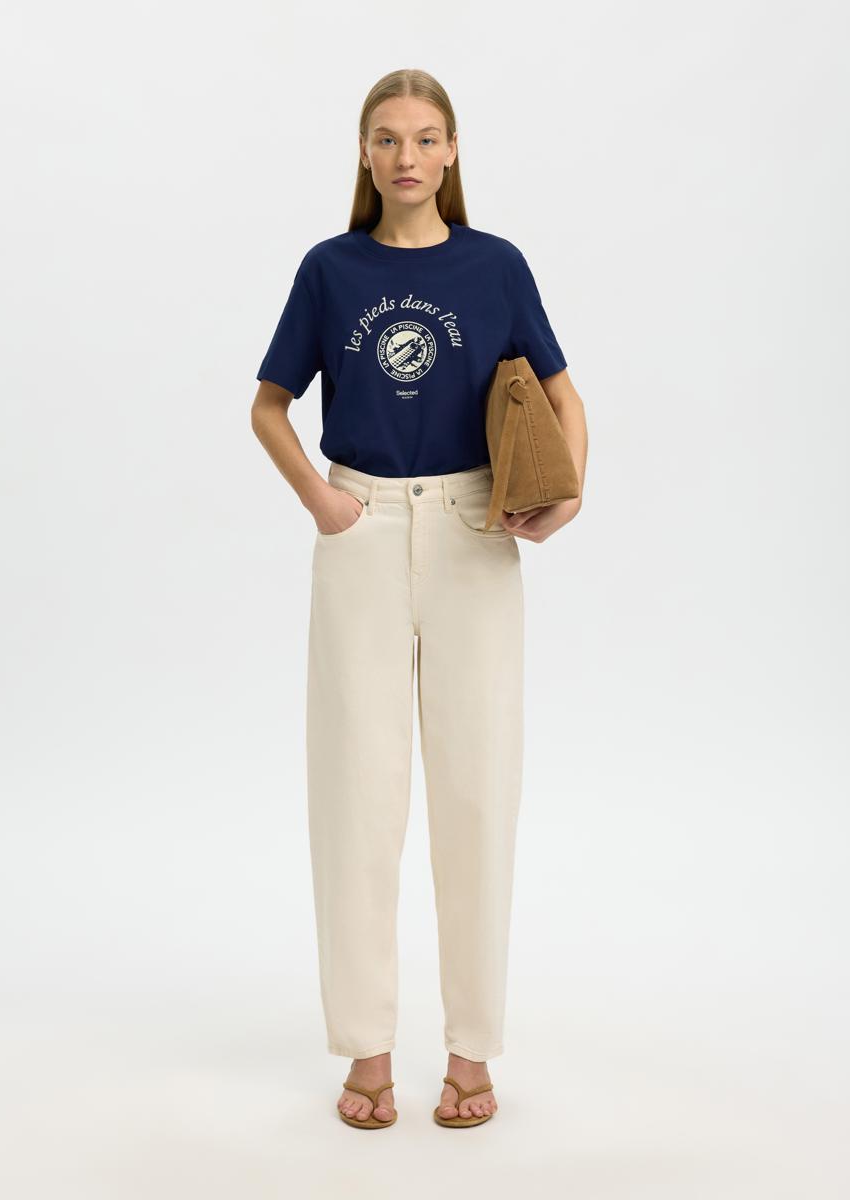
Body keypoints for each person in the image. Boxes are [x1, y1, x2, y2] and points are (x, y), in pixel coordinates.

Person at [250, 68, 588, 1129]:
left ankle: (471, 1050)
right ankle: (367, 1049)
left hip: (475, 529)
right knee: (357, 790)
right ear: (365, 152)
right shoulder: (330, 269)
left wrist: (568, 494)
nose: (407, 155)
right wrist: (321, 500)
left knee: (477, 789)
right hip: (361, 525)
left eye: (427, 137)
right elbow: (269, 405)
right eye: (388, 137)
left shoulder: (496, 266)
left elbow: (564, 391)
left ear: (452, 152)